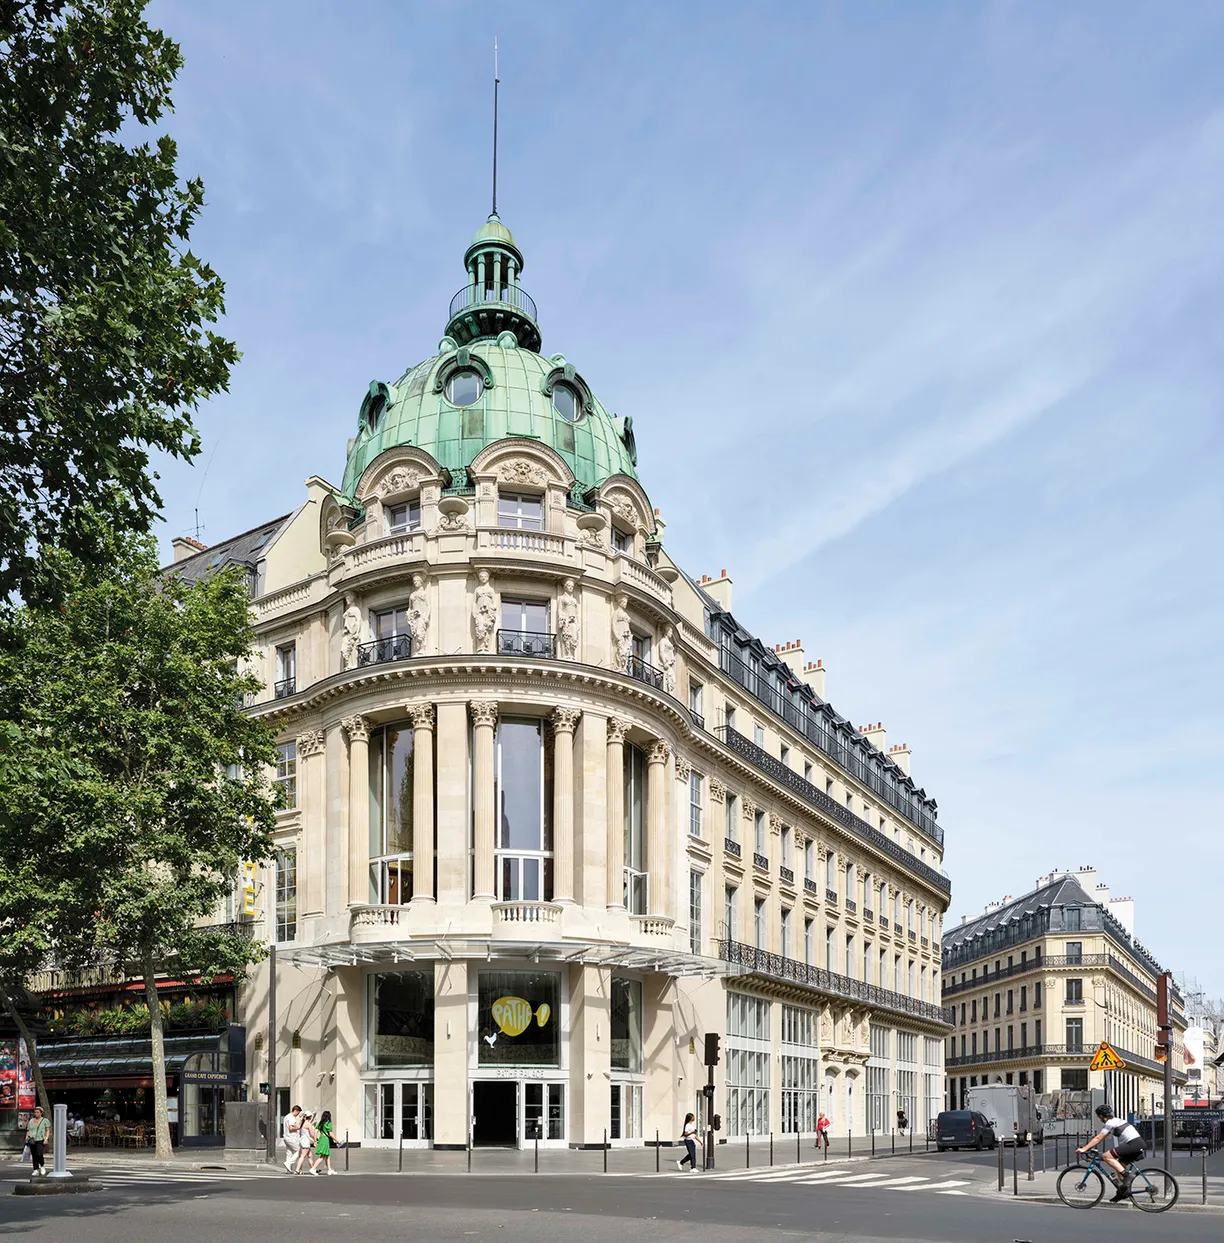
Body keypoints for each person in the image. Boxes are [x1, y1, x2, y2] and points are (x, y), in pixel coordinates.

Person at [1078, 1104, 1145, 1202]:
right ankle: (1122, 1192)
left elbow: (1098, 1138)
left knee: (1106, 1156)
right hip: (1138, 1144)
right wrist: (1090, 1146)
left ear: (1101, 1116)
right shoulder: (1117, 1121)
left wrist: (1084, 1149)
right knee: (1120, 1165)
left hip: (1133, 1144)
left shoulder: (1110, 1123)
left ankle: (1127, 1176)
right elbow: (1102, 1138)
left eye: (1098, 1116)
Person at [25, 1106, 50, 1177]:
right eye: (35, 1112)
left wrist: (46, 1138)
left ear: (41, 1113)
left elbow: (47, 1130)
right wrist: (27, 1138)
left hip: (40, 1139)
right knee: (34, 1155)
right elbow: (28, 1130)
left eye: (37, 1112)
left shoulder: (45, 1120)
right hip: (32, 1139)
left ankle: (42, 1165)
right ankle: (35, 1169)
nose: (36, 1114)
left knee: (39, 1153)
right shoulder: (31, 1121)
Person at [310, 1109, 337, 1175]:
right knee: (322, 1156)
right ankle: (313, 1168)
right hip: (325, 1139)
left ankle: (329, 1170)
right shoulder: (328, 1124)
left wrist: (315, 1140)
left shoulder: (321, 1123)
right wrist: (337, 1140)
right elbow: (331, 1134)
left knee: (327, 1155)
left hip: (321, 1138)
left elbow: (316, 1131)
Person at [282, 1104, 303, 1173]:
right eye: (298, 1112)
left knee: (289, 1152)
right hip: (291, 1137)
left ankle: (289, 1169)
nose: (298, 1114)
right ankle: (289, 1163)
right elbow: (291, 1128)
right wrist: (298, 1128)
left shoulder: (286, 1116)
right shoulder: (291, 1117)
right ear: (296, 1111)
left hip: (286, 1137)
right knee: (299, 1151)